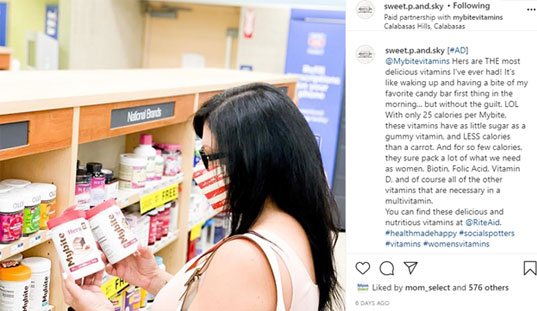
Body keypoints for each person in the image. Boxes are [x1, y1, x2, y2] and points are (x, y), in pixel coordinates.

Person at [61, 83, 342, 310]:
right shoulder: (295, 226)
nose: (201, 170)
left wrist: (97, 308)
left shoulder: (245, 258)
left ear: (252, 160)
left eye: (208, 156)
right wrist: (154, 280)